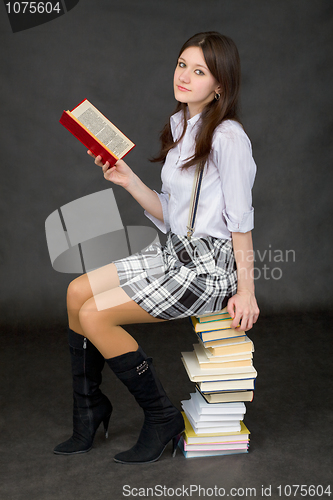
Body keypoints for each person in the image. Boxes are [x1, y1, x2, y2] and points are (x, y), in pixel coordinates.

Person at [53, 31, 260, 464]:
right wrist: (128, 179)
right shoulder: (180, 124)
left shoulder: (228, 138)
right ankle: (89, 411)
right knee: (75, 293)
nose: (184, 76)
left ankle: (160, 415)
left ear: (219, 85)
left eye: (199, 71)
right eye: (182, 64)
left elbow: (240, 223)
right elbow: (171, 212)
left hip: (207, 268)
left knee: (94, 314)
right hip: (173, 252)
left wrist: (247, 291)